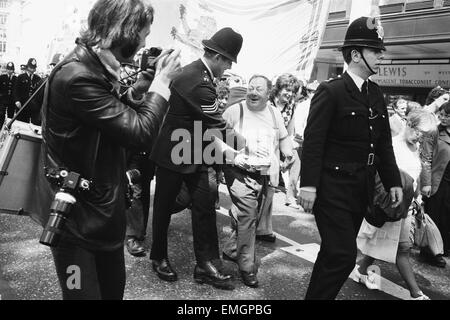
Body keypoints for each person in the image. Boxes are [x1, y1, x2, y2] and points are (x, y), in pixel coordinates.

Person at [34, 0, 181, 300]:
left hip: (104, 215)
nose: (144, 43)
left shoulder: (96, 68)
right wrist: (163, 83)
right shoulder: (77, 76)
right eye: (143, 34)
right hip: (78, 225)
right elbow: (139, 133)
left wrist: (140, 88)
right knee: (81, 297)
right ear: (124, 33)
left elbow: (113, 114)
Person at [299, 16, 403, 300]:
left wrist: (393, 180)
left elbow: (383, 143)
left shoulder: (375, 93)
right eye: (375, 50)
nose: (381, 55)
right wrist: (308, 185)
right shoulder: (330, 91)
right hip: (331, 187)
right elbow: (313, 142)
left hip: (360, 189)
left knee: (332, 253)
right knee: (343, 256)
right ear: (356, 54)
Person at [150, 27, 245, 291]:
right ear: (218, 57)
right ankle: (158, 256)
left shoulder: (201, 75)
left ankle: (205, 264)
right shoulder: (197, 81)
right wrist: (250, 149)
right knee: (163, 207)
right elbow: (218, 124)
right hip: (173, 152)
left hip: (194, 151)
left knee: (204, 205)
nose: (227, 68)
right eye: (227, 62)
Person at [354, 109, 437, 300]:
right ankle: (416, 293)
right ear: (409, 124)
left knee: (385, 244)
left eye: (424, 136)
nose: (420, 138)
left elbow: (413, 179)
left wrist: (418, 199)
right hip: (391, 205)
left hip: (407, 206)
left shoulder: (416, 148)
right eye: (419, 133)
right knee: (402, 249)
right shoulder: (391, 146)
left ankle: (361, 269)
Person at [221, 75, 293, 287]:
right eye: (250, 88)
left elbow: (282, 138)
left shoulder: (273, 113)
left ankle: (232, 249)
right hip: (237, 171)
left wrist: (288, 154)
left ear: (268, 93)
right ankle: (246, 266)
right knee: (248, 215)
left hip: (262, 173)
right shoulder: (236, 111)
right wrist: (235, 156)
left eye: (258, 89)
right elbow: (215, 136)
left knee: (250, 214)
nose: (253, 92)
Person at [420, 101, 450, 264]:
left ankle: (443, 249)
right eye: (442, 114)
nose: (443, 118)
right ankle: (431, 253)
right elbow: (426, 158)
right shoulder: (434, 132)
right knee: (434, 217)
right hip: (438, 181)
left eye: (447, 115)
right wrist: (426, 182)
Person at [12, 58, 42, 124]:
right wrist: (17, 100)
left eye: (33, 68)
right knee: (20, 123)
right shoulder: (20, 77)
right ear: (27, 67)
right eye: (30, 67)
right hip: (21, 105)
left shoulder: (38, 79)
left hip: (33, 107)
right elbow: (16, 90)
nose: (32, 69)